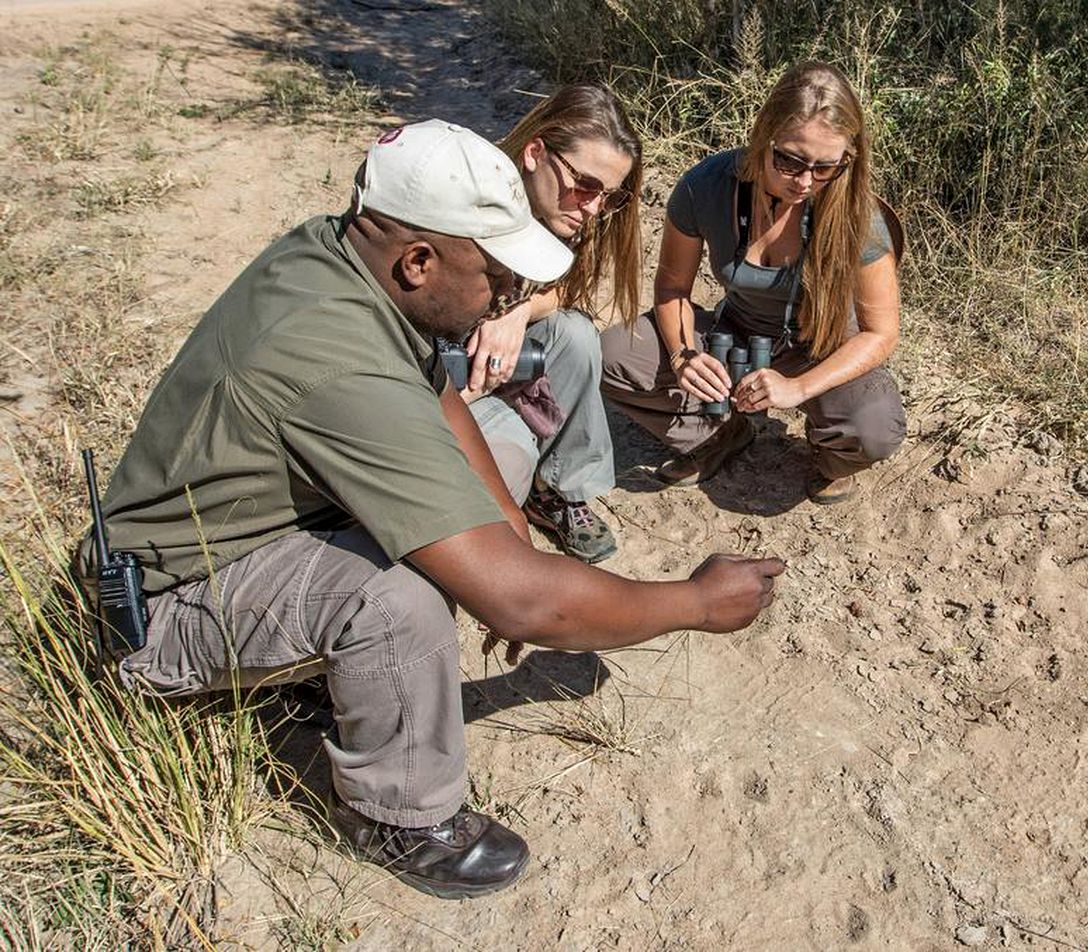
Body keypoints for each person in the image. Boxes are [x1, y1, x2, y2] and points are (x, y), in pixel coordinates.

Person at [76, 120, 784, 900]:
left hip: (255, 538)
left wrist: (515, 538)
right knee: (396, 594)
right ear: (418, 260)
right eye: (498, 273)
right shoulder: (334, 356)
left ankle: (324, 672)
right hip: (161, 612)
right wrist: (697, 602)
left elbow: (438, 396)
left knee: (478, 497)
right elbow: (526, 606)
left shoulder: (340, 255)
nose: (512, 293)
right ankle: (404, 817)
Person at [600, 61, 906, 505]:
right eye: (789, 160)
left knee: (874, 427)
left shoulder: (860, 216)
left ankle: (831, 460)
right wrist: (685, 355)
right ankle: (715, 435)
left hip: (820, 344)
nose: (804, 182)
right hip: (735, 334)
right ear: (763, 135)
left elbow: (882, 332)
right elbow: (672, 287)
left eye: (825, 168)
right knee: (612, 355)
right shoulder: (706, 186)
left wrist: (798, 388)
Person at [462, 84, 642, 563]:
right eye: (584, 186)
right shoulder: (469, 213)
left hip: (490, 364)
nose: (593, 207)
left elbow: (565, 287)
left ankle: (560, 489)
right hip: (447, 384)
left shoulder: (569, 213)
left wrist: (518, 311)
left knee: (575, 333)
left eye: (609, 195)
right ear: (535, 153)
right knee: (504, 459)